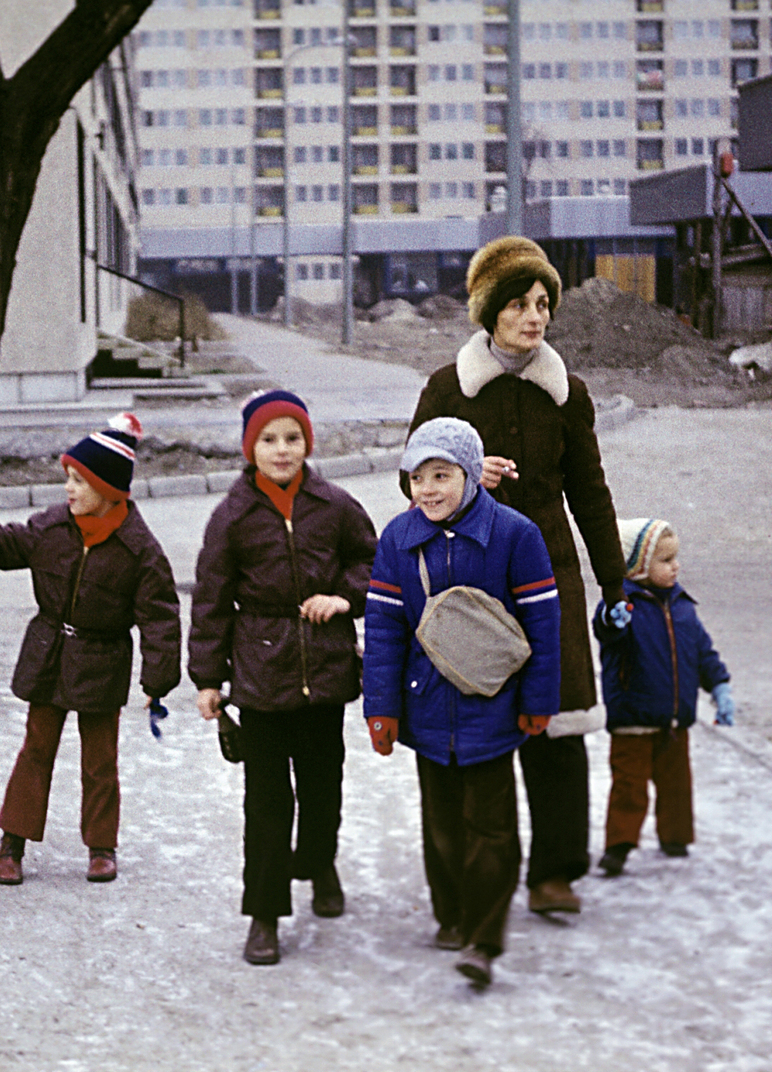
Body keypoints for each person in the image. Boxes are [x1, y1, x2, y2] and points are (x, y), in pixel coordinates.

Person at [406, 236, 628, 917]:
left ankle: (554, 873)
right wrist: (469, 479)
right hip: (471, 578)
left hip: (549, 575)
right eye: (519, 304)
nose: (534, 317)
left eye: (543, 304)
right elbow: (412, 480)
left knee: (556, 726)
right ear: (489, 311)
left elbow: (590, 491)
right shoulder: (448, 388)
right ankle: (480, 873)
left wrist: (615, 584)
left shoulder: (568, 394)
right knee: (480, 729)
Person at [0, 414, 180, 886]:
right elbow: (7, 543)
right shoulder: (51, 527)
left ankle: (102, 846)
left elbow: (160, 614)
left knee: (100, 759)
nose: (69, 488)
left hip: (102, 660)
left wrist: (157, 679)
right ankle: (13, 842)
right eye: (68, 478)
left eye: (80, 481)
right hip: (49, 653)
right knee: (36, 748)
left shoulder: (140, 548)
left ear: (109, 489)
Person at [363, 417, 561, 989]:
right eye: (418, 476)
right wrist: (383, 708)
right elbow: (383, 632)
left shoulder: (516, 535)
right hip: (426, 710)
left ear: (472, 476)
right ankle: (451, 916)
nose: (427, 489)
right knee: (444, 826)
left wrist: (539, 700)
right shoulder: (397, 540)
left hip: (495, 707)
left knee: (492, 827)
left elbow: (542, 625)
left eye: (441, 475)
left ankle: (483, 935)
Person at [190, 390, 377, 966]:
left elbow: (374, 565)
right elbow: (211, 602)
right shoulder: (232, 517)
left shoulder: (335, 505)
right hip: (260, 679)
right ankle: (265, 915)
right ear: (251, 449)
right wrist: (207, 677)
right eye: (268, 440)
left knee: (323, 792)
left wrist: (342, 597)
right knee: (266, 804)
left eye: (292, 438)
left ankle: (319, 863)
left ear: (307, 443)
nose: (281, 450)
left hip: (325, 674)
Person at [594, 518, 735, 876]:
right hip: (633, 717)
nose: (676, 566)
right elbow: (605, 630)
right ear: (638, 566)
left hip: (674, 717)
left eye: (676, 558)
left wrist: (719, 685)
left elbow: (702, 651)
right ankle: (619, 846)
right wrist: (613, 620)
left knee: (676, 784)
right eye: (665, 560)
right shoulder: (623, 606)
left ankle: (675, 837)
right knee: (630, 786)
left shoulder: (683, 606)